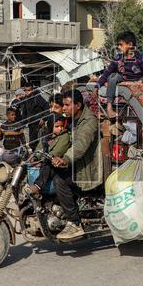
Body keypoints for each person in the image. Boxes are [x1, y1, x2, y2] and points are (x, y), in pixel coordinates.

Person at [50, 90, 102, 241]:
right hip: (78, 164)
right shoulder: (73, 120)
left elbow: (80, 145)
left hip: (88, 169)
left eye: (67, 105)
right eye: (63, 105)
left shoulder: (89, 121)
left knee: (59, 181)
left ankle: (74, 223)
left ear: (78, 105)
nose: (63, 108)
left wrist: (65, 158)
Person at [96, 31, 143, 119]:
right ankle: (109, 108)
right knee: (112, 77)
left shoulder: (139, 57)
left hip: (139, 79)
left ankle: (141, 82)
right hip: (124, 78)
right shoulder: (118, 58)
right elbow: (107, 72)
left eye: (121, 45)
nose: (119, 47)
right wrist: (97, 86)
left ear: (130, 44)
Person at [26, 115, 71, 197]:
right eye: (57, 126)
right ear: (50, 126)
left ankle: (38, 186)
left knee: (48, 163)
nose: (60, 128)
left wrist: (42, 159)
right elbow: (38, 149)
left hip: (57, 164)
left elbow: (57, 152)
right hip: (44, 161)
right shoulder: (47, 137)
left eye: (61, 126)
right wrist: (35, 158)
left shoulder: (65, 136)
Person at [18, 82, 48, 147]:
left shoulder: (37, 98)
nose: (27, 92)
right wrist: (21, 125)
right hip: (31, 124)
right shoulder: (26, 99)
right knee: (32, 143)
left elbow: (47, 107)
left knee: (38, 143)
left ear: (32, 90)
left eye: (29, 90)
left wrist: (43, 119)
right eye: (26, 90)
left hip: (38, 125)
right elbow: (25, 114)